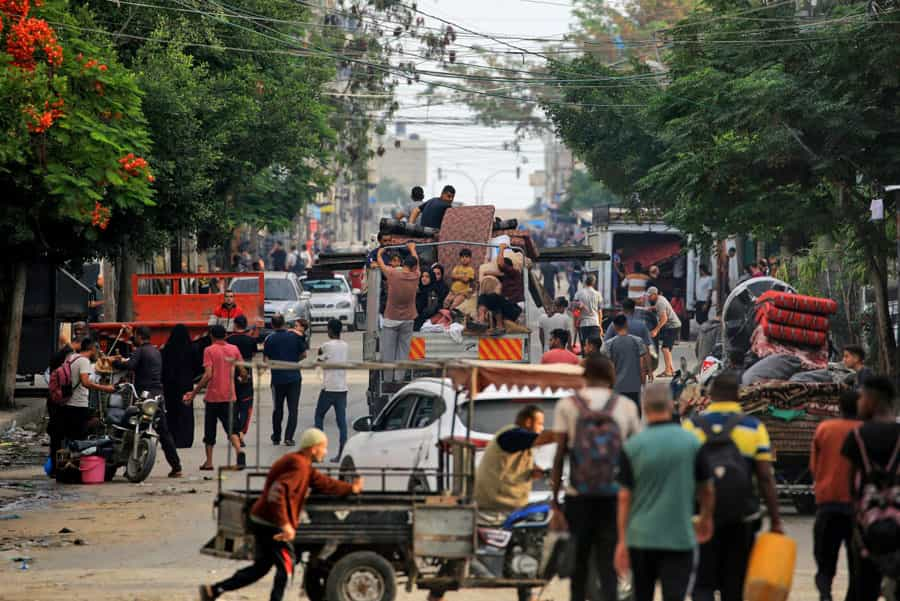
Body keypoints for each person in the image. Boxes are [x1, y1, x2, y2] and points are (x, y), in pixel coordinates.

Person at [199, 428, 364, 601]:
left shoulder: (302, 463)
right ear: (313, 447)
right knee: (286, 567)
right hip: (270, 523)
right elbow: (277, 493)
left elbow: (324, 483)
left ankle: (214, 590)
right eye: (324, 447)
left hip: (263, 518)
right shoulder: (298, 466)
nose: (326, 451)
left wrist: (350, 488)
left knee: (261, 567)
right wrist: (285, 525)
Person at [683, 372, 784, 601]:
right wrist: (776, 519)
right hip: (742, 516)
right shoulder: (753, 427)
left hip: (701, 517)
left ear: (710, 396)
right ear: (738, 396)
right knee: (735, 586)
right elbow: (765, 477)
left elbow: (683, 474)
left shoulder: (692, 427)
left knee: (702, 584)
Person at [551, 354, 642, 601]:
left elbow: (560, 456)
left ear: (585, 375)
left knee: (579, 564)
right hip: (614, 498)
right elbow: (635, 457)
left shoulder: (567, 406)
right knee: (608, 563)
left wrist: (555, 500)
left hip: (578, 497)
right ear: (611, 376)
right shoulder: (626, 406)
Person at [614, 383, 715, 601]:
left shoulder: (632, 446)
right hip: (679, 538)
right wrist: (706, 517)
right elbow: (706, 488)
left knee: (641, 595)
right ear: (671, 406)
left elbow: (624, 498)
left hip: (640, 538)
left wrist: (622, 541)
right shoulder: (692, 442)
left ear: (645, 407)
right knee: (675, 596)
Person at [840, 376, 900, 601]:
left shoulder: (857, 436)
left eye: (862, 397)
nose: (859, 403)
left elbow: (850, 480)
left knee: (864, 586)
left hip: (867, 525)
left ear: (873, 401)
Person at [810, 390, 861, 601]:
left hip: (827, 501)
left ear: (839, 407)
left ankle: (825, 595)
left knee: (824, 558)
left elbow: (814, 466)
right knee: (856, 560)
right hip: (857, 506)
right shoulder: (864, 430)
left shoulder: (825, 429)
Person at [112, 327, 183, 477]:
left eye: (135, 337)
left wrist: (116, 364)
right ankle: (176, 467)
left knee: (131, 427)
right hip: (157, 396)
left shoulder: (140, 351)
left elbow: (130, 365)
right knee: (164, 432)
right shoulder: (155, 351)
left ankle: (127, 464)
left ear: (139, 336)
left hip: (144, 396)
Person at [184, 325, 246, 470]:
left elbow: (208, 375)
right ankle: (239, 451)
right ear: (225, 335)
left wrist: (193, 393)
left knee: (210, 430)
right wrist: (242, 378)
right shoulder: (234, 349)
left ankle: (209, 462)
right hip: (230, 396)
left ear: (211, 336)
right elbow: (243, 371)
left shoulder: (209, 350)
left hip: (213, 397)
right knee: (232, 428)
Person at [263, 314, 308, 446]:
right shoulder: (295, 337)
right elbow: (304, 354)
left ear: (272, 325)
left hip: (277, 379)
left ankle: (276, 436)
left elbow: (266, 360)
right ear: (284, 324)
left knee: (278, 408)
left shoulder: (269, 339)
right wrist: (293, 362)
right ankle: (288, 438)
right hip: (294, 378)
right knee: (293, 409)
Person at [377, 243, 419, 381]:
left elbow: (381, 265)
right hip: (408, 319)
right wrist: (412, 249)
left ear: (404, 263)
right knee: (403, 351)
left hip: (391, 319)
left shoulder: (393, 274)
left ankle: (388, 379)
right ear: (413, 267)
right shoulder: (415, 276)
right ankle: (399, 378)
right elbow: (416, 263)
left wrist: (379, 253)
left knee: (388, 352)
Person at [315, 319, 350, 462]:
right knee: (342, 422)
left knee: (319, 416)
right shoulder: (345, 346)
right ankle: (342, 453)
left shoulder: (326, 345)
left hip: (329, 387)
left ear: (330, 330)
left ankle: (318, 452)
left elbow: (319, 360)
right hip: (342, 388)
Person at [603, 314, 650, 411]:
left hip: (617, 387)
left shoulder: (609, 344)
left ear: (615, 327)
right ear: (626, 325)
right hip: (634, 386)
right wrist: (643, 384)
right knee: (635, 413)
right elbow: (642, 366)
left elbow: (609, 367)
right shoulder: (638, 341)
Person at [161, 324, 197, 449]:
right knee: (186, 412)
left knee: (171, 412)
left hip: (169, 387)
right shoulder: (192, 349)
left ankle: (173, 439)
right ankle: (186, 439)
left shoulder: (167, 350)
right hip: (186, 385)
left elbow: (162, 369)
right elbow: (197, 367)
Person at [227, 315, 258, 447]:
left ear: (235, 325)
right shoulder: (251, 340)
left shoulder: (228, 340)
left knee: (233, 406)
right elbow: (254, 354)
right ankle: (241, 433)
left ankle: (235, 432)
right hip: (247, 375)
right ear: (245, 325)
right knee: (246, 406)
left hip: (231, 376)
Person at [646, 287, 681, 377]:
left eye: (650, 296)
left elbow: (664, 319)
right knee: (667, 349)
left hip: (672, 326)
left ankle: (668, 371)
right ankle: (670, 369)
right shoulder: (661, 298)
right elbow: (661, 307)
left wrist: (656, 330)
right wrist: (651, 308)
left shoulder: (660, 302)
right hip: (673, 325)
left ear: (654, 294)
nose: (648, 298)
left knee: (665, 349)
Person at [574, 274, 603, 354]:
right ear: (594, 283)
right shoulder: (598, 294)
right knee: (595, 349)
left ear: (586, 282)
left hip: (583, 324)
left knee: (585, 349)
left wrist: (575, 323)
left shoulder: (578, 294)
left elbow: (576, 311)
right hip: (595, 323)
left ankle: (585, 364)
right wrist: (600, 326)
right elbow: (599, 312)